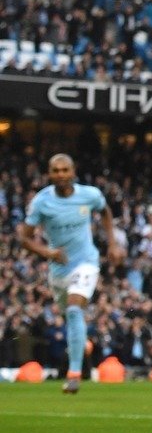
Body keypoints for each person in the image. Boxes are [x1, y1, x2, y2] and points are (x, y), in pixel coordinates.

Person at [19, 154, 125, 394]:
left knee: (76, 309)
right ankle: (81, 344)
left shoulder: (89, 194)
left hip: (86, 262)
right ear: (49, 174)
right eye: (56, 170)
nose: (61, 174)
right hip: (58, 269)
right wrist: (48, 252)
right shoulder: (41, 202)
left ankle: (74, 375)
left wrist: (112, 244)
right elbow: (24, 238)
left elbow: (105, 211)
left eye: (65, 170)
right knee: (70, 317)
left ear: (73, 171)